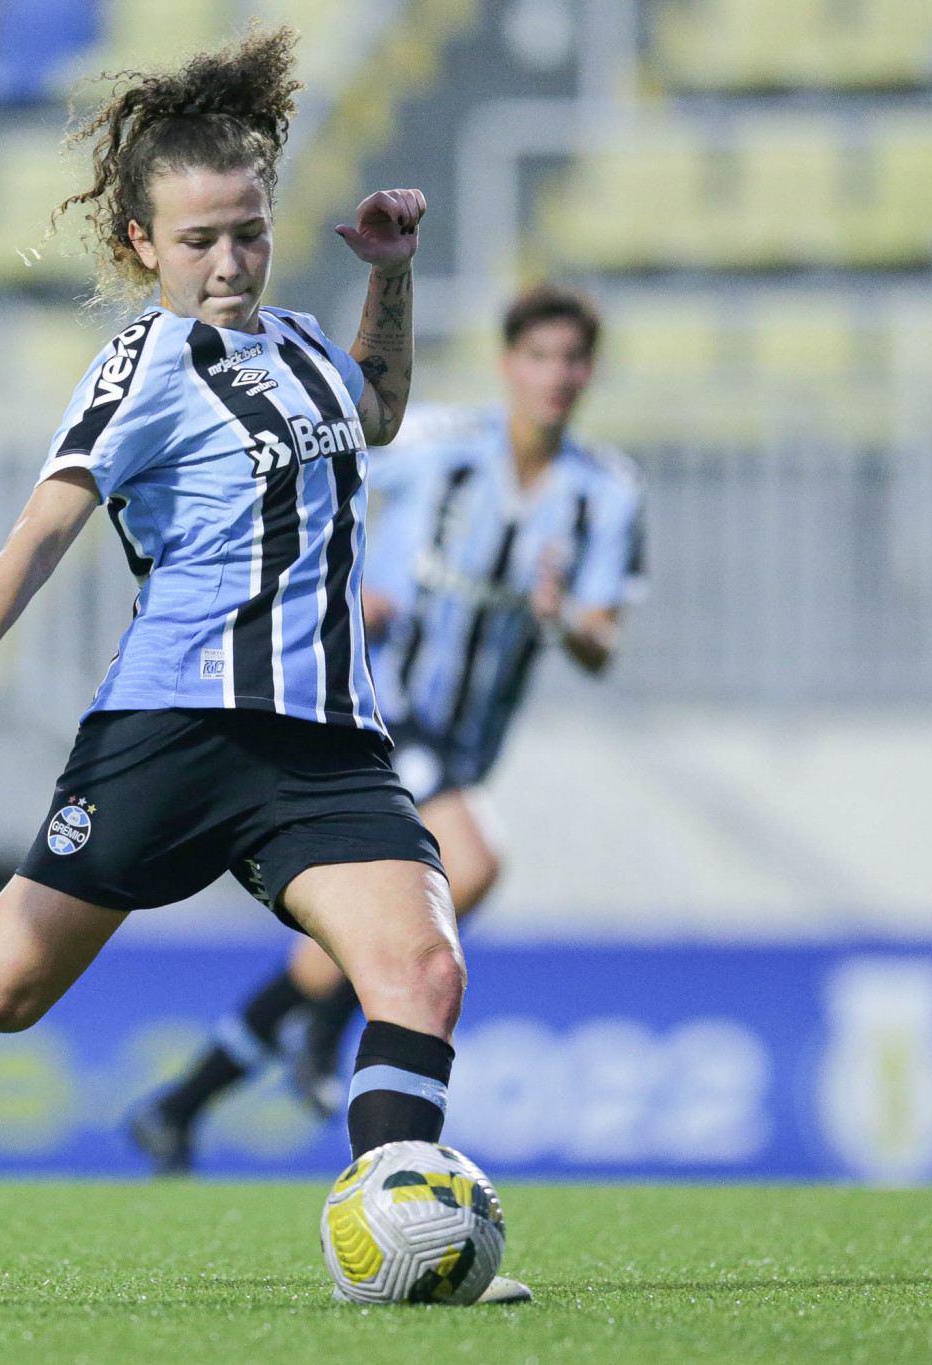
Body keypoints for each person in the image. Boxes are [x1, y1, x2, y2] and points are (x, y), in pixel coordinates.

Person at [0, 27, 527, 1306]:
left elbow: (371, 412)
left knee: (422, 968)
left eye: (248, 232)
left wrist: (389, 273)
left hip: (325, 744)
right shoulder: (140, 370)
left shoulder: (305, 342)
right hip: (175, 729)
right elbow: (40, 530)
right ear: (143, 244)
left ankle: (412, 1245)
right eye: (199, 240)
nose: (228, 262)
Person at [130, 283, 645, 1170]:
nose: (555, 376)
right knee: (474, 862)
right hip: (376, 705)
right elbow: (320, 474)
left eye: (572, 360)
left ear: (590, 371)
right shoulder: (440, 446)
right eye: (539, 356)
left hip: (463, 742)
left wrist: (563, 618)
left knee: (371, 935)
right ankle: (324, 1034)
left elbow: (604, 640)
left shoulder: (606, 493)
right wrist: (340, 582)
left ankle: (182, 1102)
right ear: (507, 364)